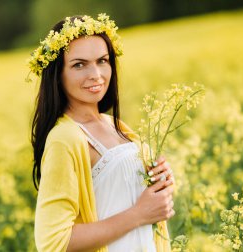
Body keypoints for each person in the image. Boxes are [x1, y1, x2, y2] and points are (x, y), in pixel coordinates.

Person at [29, 14, 175, 252]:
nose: (96, 74)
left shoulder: (114, 124)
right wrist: (139, 214)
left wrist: (161, 182)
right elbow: (54, 242)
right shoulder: (65, 138)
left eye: (102, 61)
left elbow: (126, 197)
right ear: (58, 74)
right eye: (79, 64)